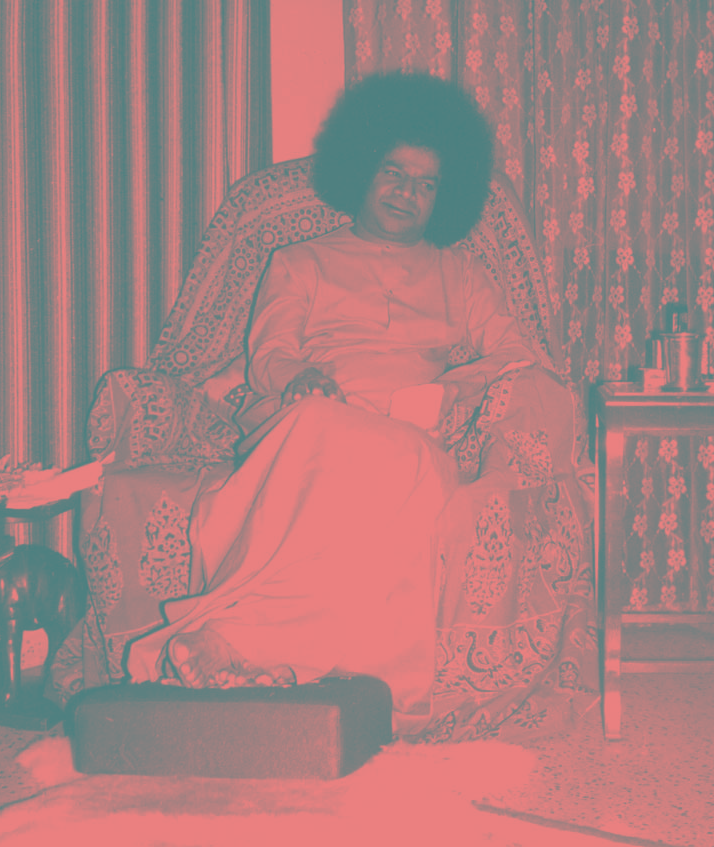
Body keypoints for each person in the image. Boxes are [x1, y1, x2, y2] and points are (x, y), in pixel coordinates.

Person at [126, 73, 597, 739]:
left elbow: (521, 355)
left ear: (445, 195)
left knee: (408, 460)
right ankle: (264, 648)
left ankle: (234, 638)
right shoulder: (298, 261)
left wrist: (453, 390)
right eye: (394, 173)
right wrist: (300, 377)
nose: (407, 193)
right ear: (363, 169)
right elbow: (268, 354)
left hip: (411, 434)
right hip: (306, 423)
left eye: (427, 183)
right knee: (331, 427)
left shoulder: (461, 274)